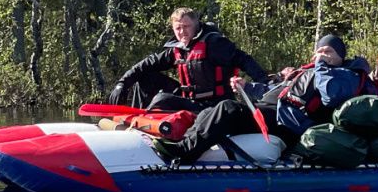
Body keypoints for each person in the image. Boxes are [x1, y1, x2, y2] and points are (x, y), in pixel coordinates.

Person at [155, 33, 370, 165]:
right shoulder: (305, 72)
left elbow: (332, 96)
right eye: (320, 51)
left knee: (227, 108)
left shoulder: (344, 75)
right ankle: (182, 144)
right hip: (269, 112)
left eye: (329, 51)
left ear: (341, 56)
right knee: (208, 111)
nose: (322, 54)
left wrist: (322, 65)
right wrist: (248, 87)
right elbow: (273, 90)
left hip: (287, 123)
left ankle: (185, 153)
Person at [112, 7, 267, 113]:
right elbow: (147, 63)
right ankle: (138, 122)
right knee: (145, 78)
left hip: (215, 105)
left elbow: (245, 60)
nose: (182, 32)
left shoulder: (214, 44)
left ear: (196, 25)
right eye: (178, 28)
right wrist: (122, 84)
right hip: (190, 101)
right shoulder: (178, 49)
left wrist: (264, 83)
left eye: (186, 26)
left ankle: (148, 122)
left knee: (163, 100)